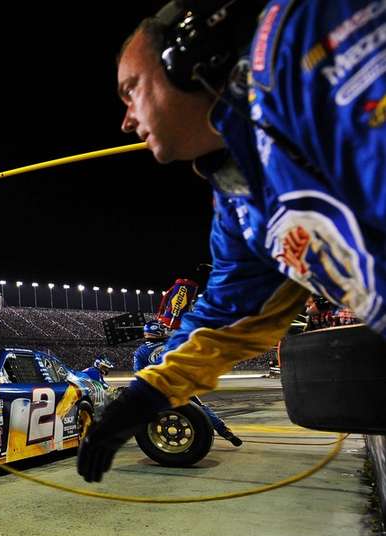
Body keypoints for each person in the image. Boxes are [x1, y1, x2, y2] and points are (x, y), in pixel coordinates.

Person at [78, 0, 386, 483]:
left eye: (130, 91)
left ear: (185, 60)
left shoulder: (300, 40)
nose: (126, 121)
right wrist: (145, 396)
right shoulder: (240, 195)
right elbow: (231, 313)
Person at [133, 321, 242, 446]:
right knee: (200, 409)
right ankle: (225, 431)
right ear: (158, 332)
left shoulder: (140, 351)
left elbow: (138, 374)